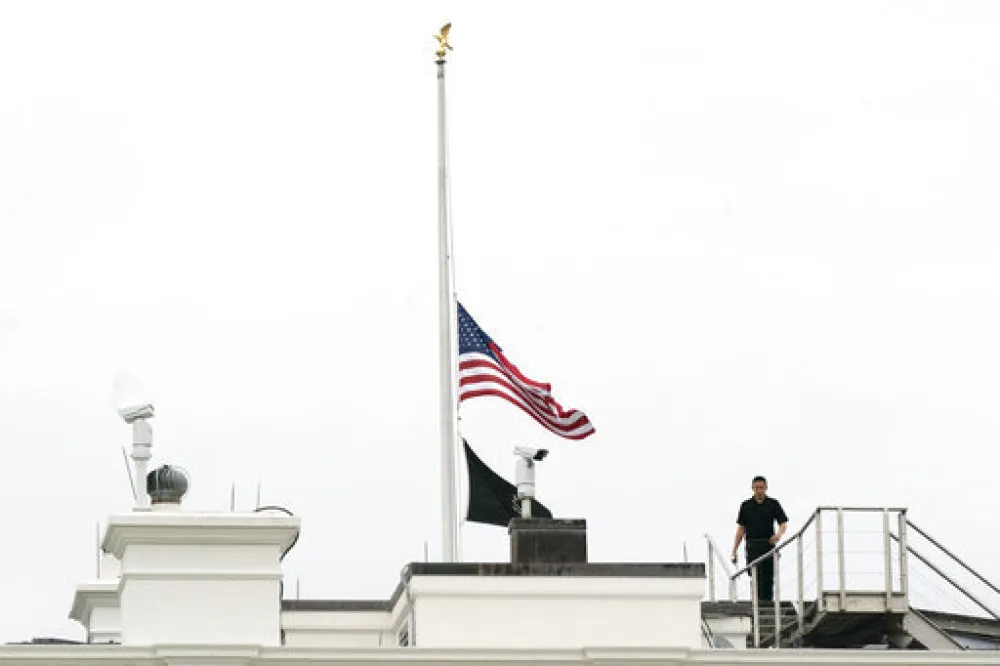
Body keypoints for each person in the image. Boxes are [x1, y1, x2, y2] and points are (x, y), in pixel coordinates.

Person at [730, 475, 788, 602]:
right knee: (755, 576)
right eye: (757, 488)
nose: (759, 490)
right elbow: (741, 529)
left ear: (766, 488)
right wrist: (734, 550)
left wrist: (778, 535)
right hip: (752, 545)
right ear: (752, 488)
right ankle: (756, 604)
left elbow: (783, 523)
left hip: (768, 544)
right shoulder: (745, 506)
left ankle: (768, 604)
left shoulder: (773, 504)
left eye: (762, 488)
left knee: (768, 577)